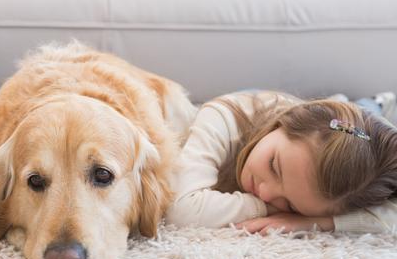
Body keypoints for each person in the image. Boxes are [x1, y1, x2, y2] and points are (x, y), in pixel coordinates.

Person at [165, 90, 397, 234]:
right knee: (362, 115)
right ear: (283, 122)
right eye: (274, 166)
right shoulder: (223, 116)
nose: (265, 194)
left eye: (291, 205)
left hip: (357, 132)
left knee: (370, 147)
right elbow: (181, 210)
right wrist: (268, 209)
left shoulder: (347, 185)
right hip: (327, 115)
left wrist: (317, 222)